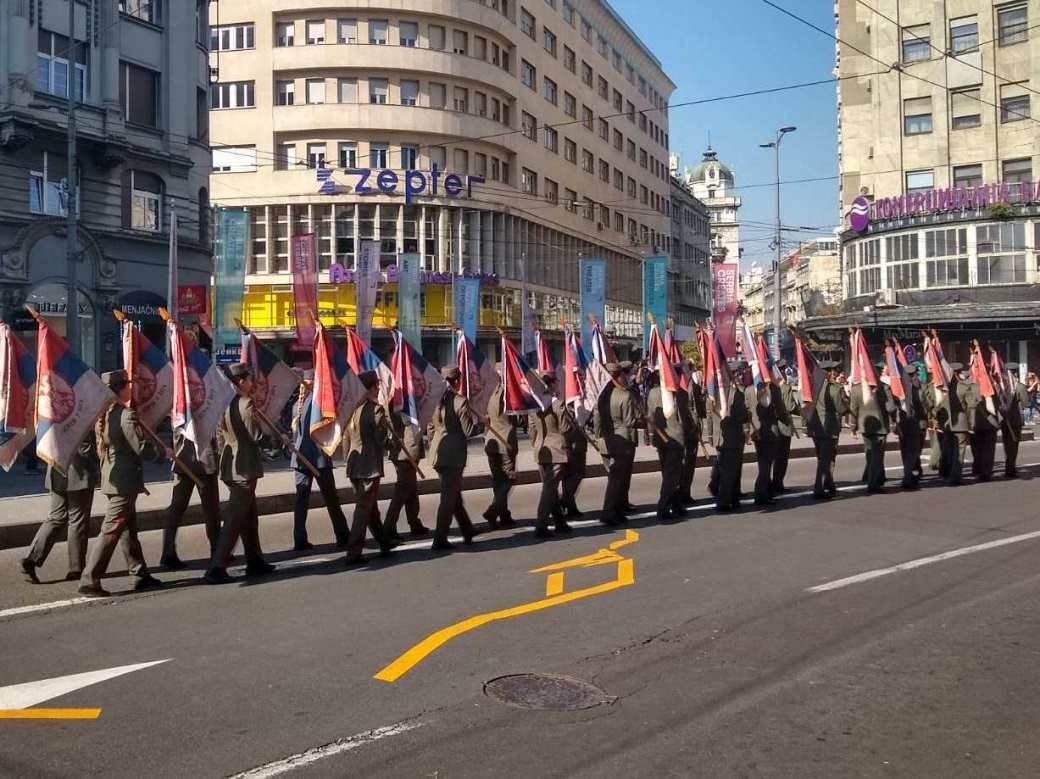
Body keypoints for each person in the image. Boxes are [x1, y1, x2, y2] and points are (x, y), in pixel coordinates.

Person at [79, 370, 163, 597]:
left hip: (112, 480)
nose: (130, 387)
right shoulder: (125, 415)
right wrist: (159, 451)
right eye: (127, 384)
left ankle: (139, 573)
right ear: (120, 388)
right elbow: (140, 449)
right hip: (124, 483)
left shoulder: (103, 415)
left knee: (128, 529)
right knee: (112, 528)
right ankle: (90, 579)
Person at [204, 363, 275, 585]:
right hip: (244, 468)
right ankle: (217, 567)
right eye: (250, 379)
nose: (253, 383)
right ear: (241, 381)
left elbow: (220, 435)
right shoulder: (246, 404)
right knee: (235, 519)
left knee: (249, 516)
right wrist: (271, 438)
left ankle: (254, 560)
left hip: (231, 465)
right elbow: (256, 436)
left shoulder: (224, 404)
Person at [20, 433, 99, 584]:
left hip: (56, 465)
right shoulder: (83, 409)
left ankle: (30, 559)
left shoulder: (52, 411)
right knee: (77, 520)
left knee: (56, 517)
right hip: (79, 469)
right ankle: (76, 568)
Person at [291, 371, 350, 552]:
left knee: (301, 500)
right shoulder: (319, 405)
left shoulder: (296, 405)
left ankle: (299, 539)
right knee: (331, 498)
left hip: (300, 459)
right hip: (318, 458)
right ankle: (343, 536)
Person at [342, 370, 396, 565]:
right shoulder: (375, 410)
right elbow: (381, 439)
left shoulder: (352, 408)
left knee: (369, 507)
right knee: (364, 509)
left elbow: (346, 440)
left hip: (354, 464)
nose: (378, 388)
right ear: (371, 388)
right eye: (376, 386)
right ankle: (354, 551)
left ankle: (383, 542)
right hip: (369, 465)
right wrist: (391, 441)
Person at [429, 366, 479, 551]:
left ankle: (467, 529)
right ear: (457, 381)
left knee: (453, 494)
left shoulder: (435, 400)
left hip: (438, 453)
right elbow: (469, 431)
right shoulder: (460, 401)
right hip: (453, 456)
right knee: (449, 498)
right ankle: (439, 538)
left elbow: (430, 428)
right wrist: (481, 424)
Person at [159, 431, 221, 569]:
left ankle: (168, 552)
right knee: (211, 510)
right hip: (202, 459)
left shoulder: (178, 409)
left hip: (182, 459)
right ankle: (217, 551)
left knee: (176, 509)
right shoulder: (198, 409)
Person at [528, 372, 575, 538]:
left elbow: (531, 429)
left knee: (551, 489)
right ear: (552, 384)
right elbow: (565, 428)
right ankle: (540, 525)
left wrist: (536, 445)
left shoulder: (535, 404)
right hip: (556, 450)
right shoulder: (556, 404)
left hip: (541, 449)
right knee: (549, 490)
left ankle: (560, 522)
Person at [594, 362, 640, 526]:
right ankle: (609, 511)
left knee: (615, 478)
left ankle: (618, 509)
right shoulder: (625, 395)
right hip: (622, 439)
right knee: (617, 479)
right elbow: (630, 421)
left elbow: (597, 420)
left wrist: (598, 438)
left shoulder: (601, 396)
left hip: (606, 439)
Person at [383, 404, 429, 540]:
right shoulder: (395, 398)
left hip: (405, 449)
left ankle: (414, 522)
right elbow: (401, 422)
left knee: (411, 488)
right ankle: (389, 527)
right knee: (402, 490)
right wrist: (411, 450)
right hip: (404, 450)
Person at [645, 368, 686, 519]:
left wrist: (650, 436)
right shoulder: (679, 392)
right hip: (675, 439)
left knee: (668, 474)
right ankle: (663, 507)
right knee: (672, 476)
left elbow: (649, 416)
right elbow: (684, 417)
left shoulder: (653, 392)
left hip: (660, 439)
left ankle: (676, 505)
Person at [849, 363, 895, 493]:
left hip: (864, 426)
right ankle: (873, 483)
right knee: (877, 456)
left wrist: (853, 428)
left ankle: (872, 476)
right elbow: (890, 408)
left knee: (869, 453)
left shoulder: (856, 388)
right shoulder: (883, 388)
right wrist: (893, 423)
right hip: (879, 427)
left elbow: (853, 409)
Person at [712, 361, 751, 513]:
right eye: (739, 373)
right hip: (732, 437)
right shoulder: (736, 394)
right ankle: (723, 502)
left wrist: (712, 434)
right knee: (730, 471)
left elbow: (709, 414)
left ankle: (733, 497)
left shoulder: (714, 392)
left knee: (725, 468)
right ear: (734, 374)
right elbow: (742, 416)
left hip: (720, 436)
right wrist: (748, 415)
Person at [483, 376, 519, 529]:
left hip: (491, 440)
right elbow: (517, 417)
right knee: (509, 478)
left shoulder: (488, 393)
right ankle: (494, 510)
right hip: (505, 440)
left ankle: (503, 514)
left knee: (498, 480)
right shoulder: (508, 394)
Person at [808, 360, 846, 499]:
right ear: (829, 372)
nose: (834, 373)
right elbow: (841, 407)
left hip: (816, 427)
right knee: (826, 459)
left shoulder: (813, 387)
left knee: (822, 457)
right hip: (829, 428)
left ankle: (829, 484)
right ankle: (819, 487)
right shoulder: (834, 388)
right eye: (833, 370)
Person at [936, 362, 976, 486]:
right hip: (961, 424)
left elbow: (938, 407)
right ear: (960, 372)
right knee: (959, 451)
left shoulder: (944, 388)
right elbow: (971, 407)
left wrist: (939, 423)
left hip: (947, 424)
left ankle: (945, 472)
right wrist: (972, 424)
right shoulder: (964, 387)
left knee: (949, 450)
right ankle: (955, 477)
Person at [746, 374, 782, 506]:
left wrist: (748, 431)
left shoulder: (749, 389)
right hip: (769, 432)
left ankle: (766, 491)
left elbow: (748, 411)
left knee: (763, 464)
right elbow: (780, 409)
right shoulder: (772, 389)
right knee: (766, 466)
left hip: (757, 431)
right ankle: (761, 494)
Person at [676, 363, 705, 506]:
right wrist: (696, 426)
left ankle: (682, 493)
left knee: (683, 465)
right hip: (689, 431)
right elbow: (695, 409)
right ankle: (684, 493)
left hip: (680, 432)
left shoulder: (677, 387)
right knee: (688, 464)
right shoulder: (691, 387)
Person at [895, 364, 926, 489]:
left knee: (905, 450)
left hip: (902, 423)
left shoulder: (899, 387)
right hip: (914, 422)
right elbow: (924, 404)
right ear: (914, 374)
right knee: (913, 451)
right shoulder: (917, 388)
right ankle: (908, 477)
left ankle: (912, 473)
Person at [771, 360, 799, 495]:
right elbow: (790, 407)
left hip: (773, 427)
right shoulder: (784, 387)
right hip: (784, 426)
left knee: (775, 457)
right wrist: (803, 410)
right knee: (782, 458)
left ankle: (774, 483)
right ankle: (778, 483)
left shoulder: (770, 386)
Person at [559, 399, 587, 518]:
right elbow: (565, 428)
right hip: (571, 446)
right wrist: (578, 422)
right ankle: (563, 501)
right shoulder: (562, 406)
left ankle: (570, 506)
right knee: (576, 474)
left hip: (576, 445)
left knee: (570, 477)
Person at [1002, 364, 1029, 477]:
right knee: (1013, 445)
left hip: (1004, 419)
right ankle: (1010, 469)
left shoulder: (1003, 386)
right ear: (1016, 372)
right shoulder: (1020, 387)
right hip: (1015, 420)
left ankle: (1009, 466)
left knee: (1006, 445)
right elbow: (1025, 403)